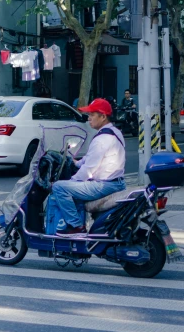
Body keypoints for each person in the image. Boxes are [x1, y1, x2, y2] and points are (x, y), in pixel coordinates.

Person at [45, 98, 126, 237]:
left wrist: (72, 180)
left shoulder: (102, 139)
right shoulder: (114, 132)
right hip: (115, 182)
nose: (89, 118)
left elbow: (88, 170)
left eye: (92, 115)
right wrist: (75, 163)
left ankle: (76, 226)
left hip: (104, 185)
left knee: (59, 187)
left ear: (103, 116)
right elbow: (90, 158)